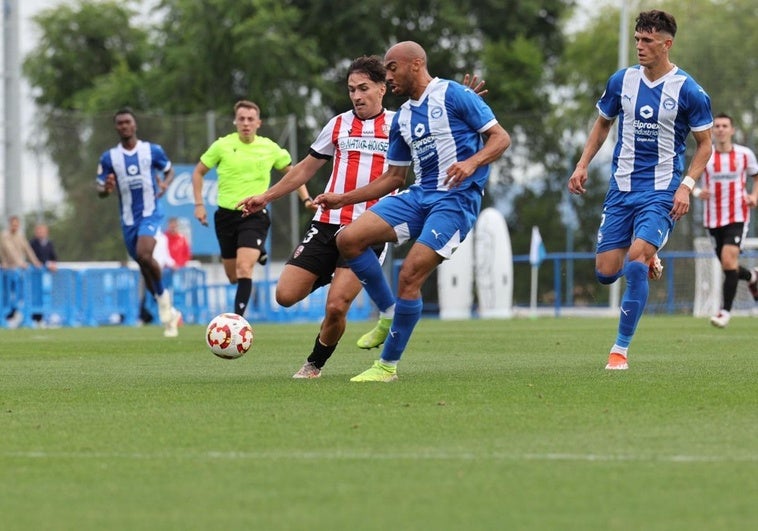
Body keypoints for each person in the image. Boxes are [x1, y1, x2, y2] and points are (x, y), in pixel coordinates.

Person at [313, 41, 511, 382]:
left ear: (416, 65)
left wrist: (471, 163)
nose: (387, 76)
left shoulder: (453, 94)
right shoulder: (403, 116)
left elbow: (500, 138)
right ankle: (389, 313)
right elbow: (393, 177)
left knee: (410, 276)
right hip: (419, 196)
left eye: (392, 68)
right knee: (348, 239)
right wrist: (342, 199)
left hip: (455, 201)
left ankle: (386, 366)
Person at [567, 10, 713, 370]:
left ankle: (619, 351)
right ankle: (650, 255)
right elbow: (603, 124)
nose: (640, 47)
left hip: (662, 191)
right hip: (621, 189)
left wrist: (686, 186)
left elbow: (705, 144)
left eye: (647, 41)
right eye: (636, 40)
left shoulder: (689, 90)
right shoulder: (622, 81)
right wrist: (582, 163)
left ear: (667, 44)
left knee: (634, 262)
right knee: (604, 272)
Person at [192, 100, 312, 317]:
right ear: (235, 122)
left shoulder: (269, 147)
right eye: (242, 119)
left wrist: (306, 199)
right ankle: (260, 251)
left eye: (250, 119)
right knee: (232, 276)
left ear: (259, 123)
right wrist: (199, 205)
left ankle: (237, 319)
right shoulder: (222, 145)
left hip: (254, 214)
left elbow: (294, 174)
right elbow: (198, 172)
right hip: (226, 216)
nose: (246, 123)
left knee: (244, 269)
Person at [96, 107, 182, 337]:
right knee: (144, 266)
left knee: (145, 254)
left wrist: (165, 184)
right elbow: (100, 188)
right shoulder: (109, 158)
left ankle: (165, 305)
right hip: (127, 220)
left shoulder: (151, 150)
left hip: (150, 213)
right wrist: (106, 188)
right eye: (120, 123)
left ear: (134, 125)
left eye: (128, 122)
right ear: (116, 127)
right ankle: (169, 313)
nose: (124, 126)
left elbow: (169, 171)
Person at [691, 113, 758, 328]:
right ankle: (753, 278)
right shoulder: (706, 156)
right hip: (712, 219)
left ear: (732, 130)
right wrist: (697, 192)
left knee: (729, 261)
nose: (720, 129)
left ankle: (724, 312)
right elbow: (689, 181)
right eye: (717, 126)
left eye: (724, 126)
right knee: (729, 266)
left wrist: (755, 196)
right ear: (712, 130)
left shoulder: (744, 154)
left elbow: (756, 176)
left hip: (738, 215)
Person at [1, 215, 43, 326]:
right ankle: (7, 317)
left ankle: (17, 315)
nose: (15, 227)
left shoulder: (20, 236)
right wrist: (20, 263)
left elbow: (28, 249)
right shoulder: (5, 236)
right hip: (8, 271)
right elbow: (10, 252)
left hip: (19, 271)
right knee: (7, 296)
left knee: (21, 294)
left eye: (17, 225)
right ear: (10, 225)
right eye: (13, 224)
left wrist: (35, 262)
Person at [29, 222, 58, 324]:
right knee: (35, 296)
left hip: (47, 276)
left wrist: (53, 264)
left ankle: (44, 317)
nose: (40, 233)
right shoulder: (32, 243)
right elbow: (34, 257)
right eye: (38, 231)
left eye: (42, 231)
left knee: (45, 296)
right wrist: (46, 263)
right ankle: (35, 318)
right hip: (35, 276)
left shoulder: (49, 243)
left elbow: (54, 256)